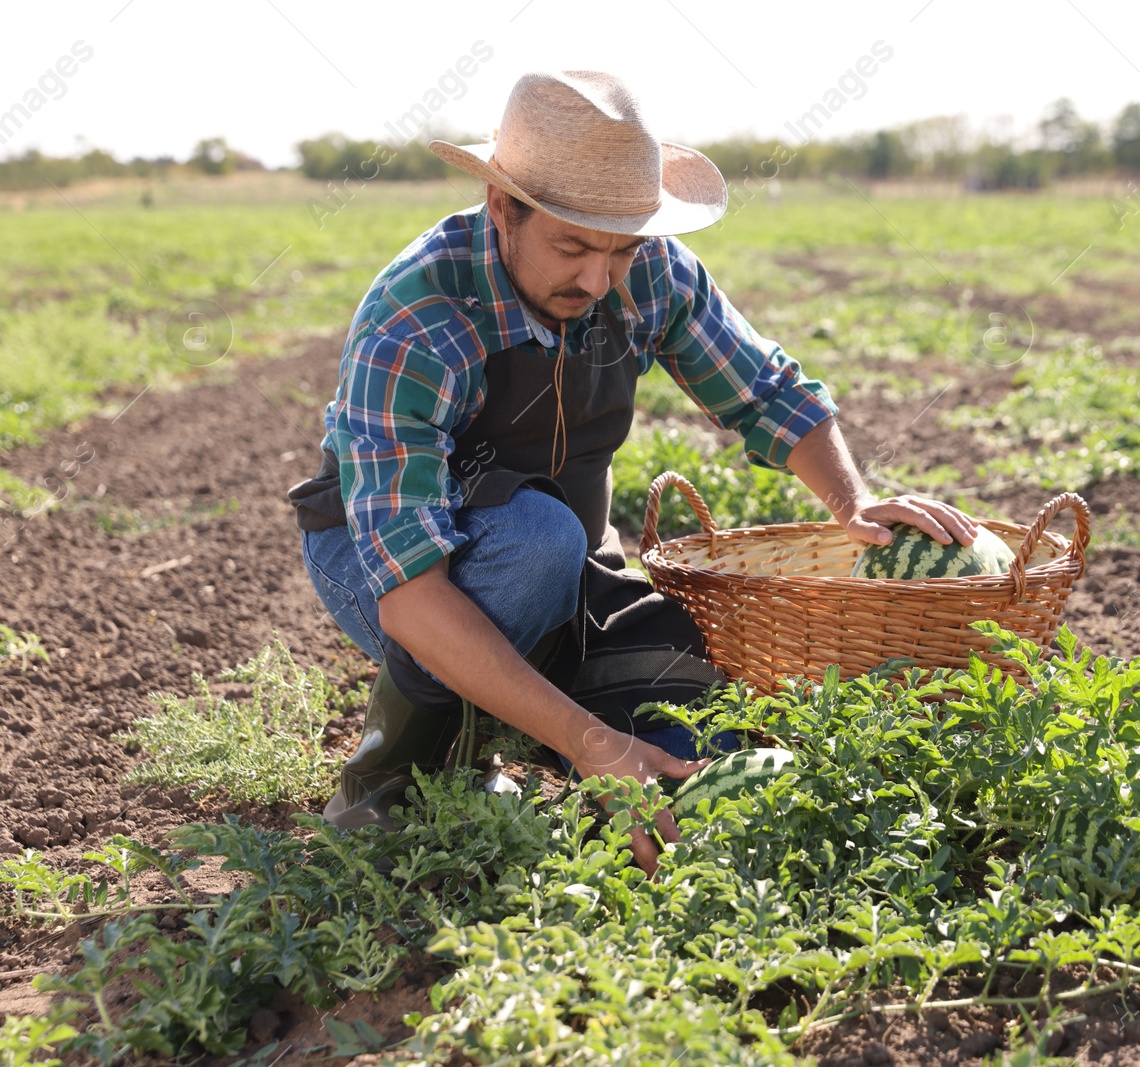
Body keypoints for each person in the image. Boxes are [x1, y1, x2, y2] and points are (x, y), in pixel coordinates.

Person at [287, 70, 978, 874]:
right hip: (380, 566)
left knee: (684, 696)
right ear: (502, 208)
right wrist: (586, 737)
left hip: (570, 562)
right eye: (573, 245)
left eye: (620, 248)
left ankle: (557, 725)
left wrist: (851, 502)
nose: (597, 280)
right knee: (538, 546)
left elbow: (765, 392)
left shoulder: (644, 272)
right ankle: (391, 785)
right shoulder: (419, 318)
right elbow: (410, 590)